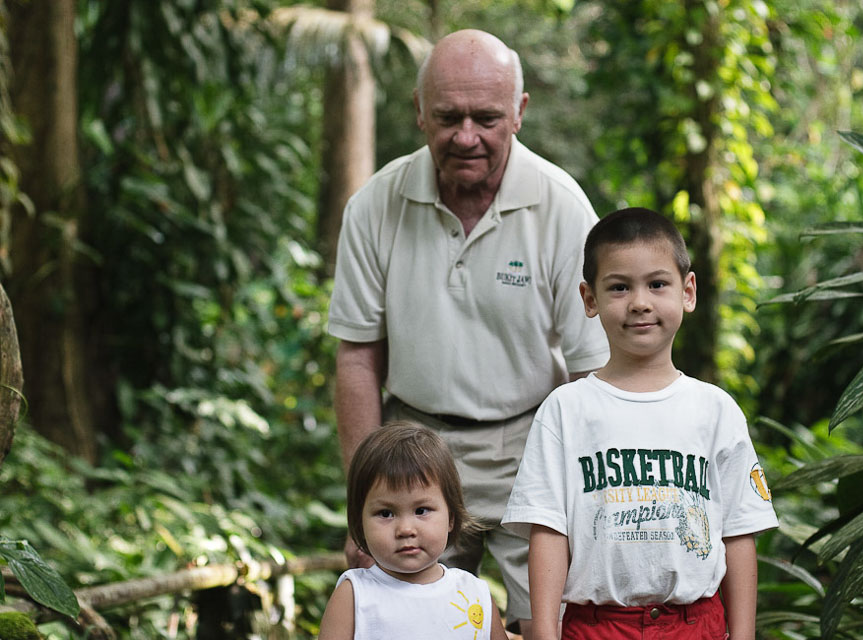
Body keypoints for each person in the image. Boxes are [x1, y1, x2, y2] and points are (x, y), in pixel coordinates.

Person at [327, 28, 609, 634]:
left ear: (519, 112)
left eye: (486, 118)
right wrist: (363, 500)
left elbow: (593, 370)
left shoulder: (561, 206)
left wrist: (590, 498)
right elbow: (356, 357)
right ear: (419, 111)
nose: (466, 136)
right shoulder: (376, 204)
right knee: (410, 621)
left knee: (550, 621)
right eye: (448, 116)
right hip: (413, 449)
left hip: (532, 445)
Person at [501, 208, 779, 640]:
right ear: (589, 299)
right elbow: (548, 532)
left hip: (695, 625)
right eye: (619, 287)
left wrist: (743, 636)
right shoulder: (565, 409)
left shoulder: (716, 410)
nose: (640, 302)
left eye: (657, 284)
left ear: (688, 291)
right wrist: (546, 632)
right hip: (597, 627)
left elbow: (738, 534)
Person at [318, 421, 510, 640]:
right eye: (386, 513)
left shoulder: (474, 595)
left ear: (451, 517)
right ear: (359, 523)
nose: (405, 529)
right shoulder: (355, 595)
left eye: (421, 510)